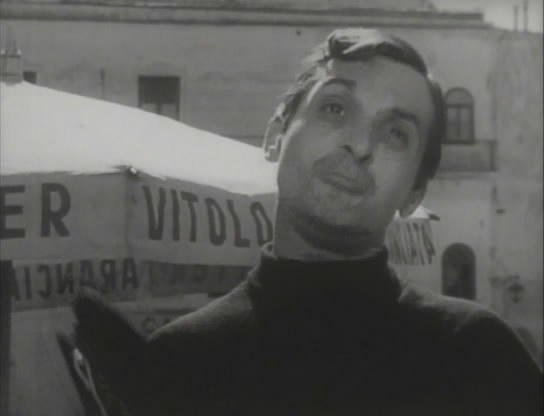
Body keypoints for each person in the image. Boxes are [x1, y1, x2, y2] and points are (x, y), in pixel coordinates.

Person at [72, 28, 542, 416]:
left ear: (414, 193)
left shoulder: (478, 356)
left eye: (396, 134)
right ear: (276, 136)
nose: (360, 145)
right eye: (335, 108)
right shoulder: (179, 364)